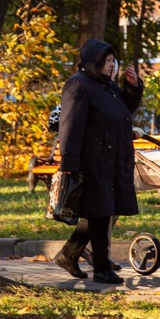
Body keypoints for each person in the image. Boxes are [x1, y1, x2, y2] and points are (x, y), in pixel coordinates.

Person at [53, 38, 142, 285]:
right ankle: (101, 269)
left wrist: (132, 88)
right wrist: (69, 163)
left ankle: (69, 254)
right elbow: (69, 125)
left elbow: (123, 112)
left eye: (113, 61)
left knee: (102, 211)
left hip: (111, 158)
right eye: (107, 61)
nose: (111, 66)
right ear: (95, 61)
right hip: (92, 160)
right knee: (101, 212)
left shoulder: (107, 86)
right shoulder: (78, 85)